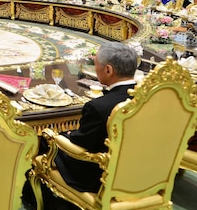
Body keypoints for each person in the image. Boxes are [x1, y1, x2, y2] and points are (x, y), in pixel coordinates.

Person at [51, 42, 137, 192]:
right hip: (138, 171)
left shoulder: (98, 107)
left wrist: (63, 135)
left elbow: (81, 142)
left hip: (97, 177)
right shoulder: (149, 99)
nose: (95, 70)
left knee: (45, 140)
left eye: (96, 65)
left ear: (108, 70)